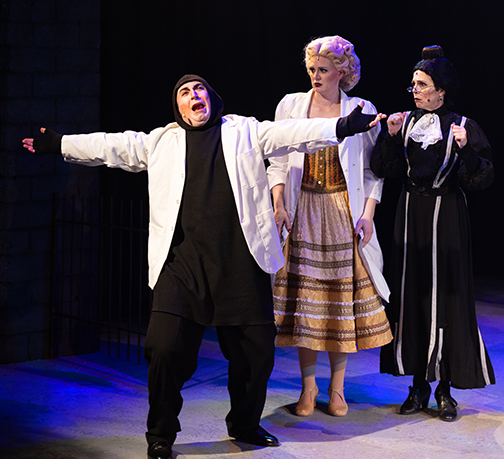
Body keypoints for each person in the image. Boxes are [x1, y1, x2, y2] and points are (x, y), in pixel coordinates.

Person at [22, 74, 383, 458]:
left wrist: (342, 126)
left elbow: (293, 134)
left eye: (199, 90)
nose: (194, 95)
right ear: (177, 107)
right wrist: (59, 143)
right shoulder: (160, 142)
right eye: (185, 92)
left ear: (212, 98)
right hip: (182, 267)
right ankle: (160, 434)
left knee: (256, 355)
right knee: (164, 350)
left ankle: (244, 424)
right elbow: (112, 145)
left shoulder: (244, 131)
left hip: (239, 263)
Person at [267, 35, 392, 418]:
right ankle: (309, 388)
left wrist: (368, 213)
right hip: (303, 209)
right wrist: (278, 203)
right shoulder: (291, 105)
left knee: (338, 306)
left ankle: (337, 389)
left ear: (342, 71)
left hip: (342, 212)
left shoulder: (360, 109)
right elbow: (276, 158)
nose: (315, 76)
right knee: (307, 306)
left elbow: (373, 169)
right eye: (311, 69)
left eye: (323, 69)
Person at [371, 46, 495, 422]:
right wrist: (390, 137)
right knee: (412, 295)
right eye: (413, 84)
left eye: (422, 85)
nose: (415, 90)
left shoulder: (462, 126)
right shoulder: (405, 123)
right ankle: (418, 386)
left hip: (448, 217)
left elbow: (481, 179)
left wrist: (465, 151)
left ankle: (444, 389)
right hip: (410, 215)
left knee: (446, 298)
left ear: (441, 90)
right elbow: (384, 169)